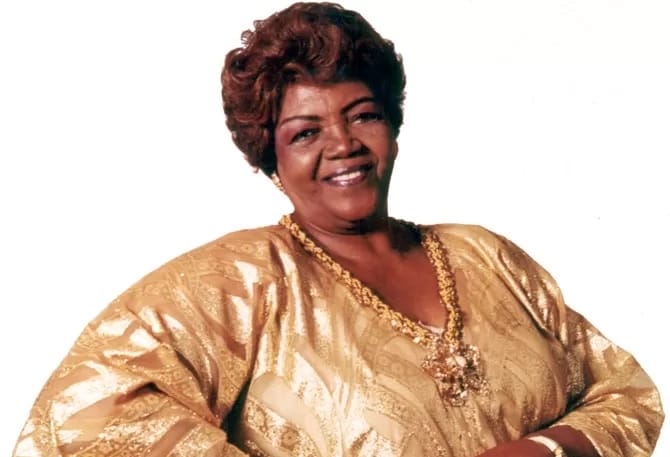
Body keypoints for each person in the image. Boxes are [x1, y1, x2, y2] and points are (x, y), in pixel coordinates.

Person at [12, 2, 663, 456]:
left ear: (393, 127)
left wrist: (543, 449)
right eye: (305, 132)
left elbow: (625, 395)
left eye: (363, 115)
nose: (343, 144)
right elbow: (83, 419)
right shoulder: (236, 283)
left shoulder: (486, 255)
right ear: (270, 158)